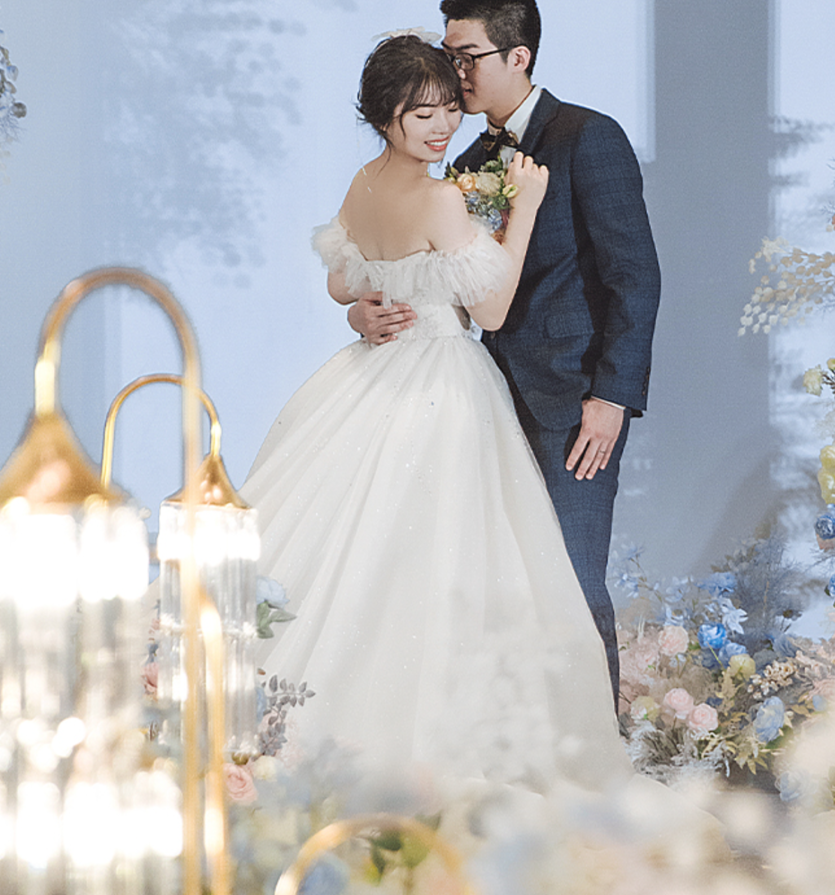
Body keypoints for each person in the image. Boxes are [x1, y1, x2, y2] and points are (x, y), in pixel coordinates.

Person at [242, 35, 628, 789]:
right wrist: (523, 210)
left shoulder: (364, 183)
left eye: (450, 109)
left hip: (370, 377)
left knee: (370, 553)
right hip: (442, 380)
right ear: (385, 115)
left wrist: (366, 308)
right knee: (439, 558)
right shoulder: (441, 196)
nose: (444, 127)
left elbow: (342, 281)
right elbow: (492, 307)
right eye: (423, 115)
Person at [348, 0, 660, 708]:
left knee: (571, 585)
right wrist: (364, 308)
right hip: (482, 399)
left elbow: (635, 276)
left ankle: (597, 753)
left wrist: (611, 397)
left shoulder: (587, 137)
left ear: (518, 56)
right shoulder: (464, 161)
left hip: (570, 404)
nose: (453, 72)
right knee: (498, 585)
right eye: (449, 55)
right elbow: (452, 284)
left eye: (466, 56)